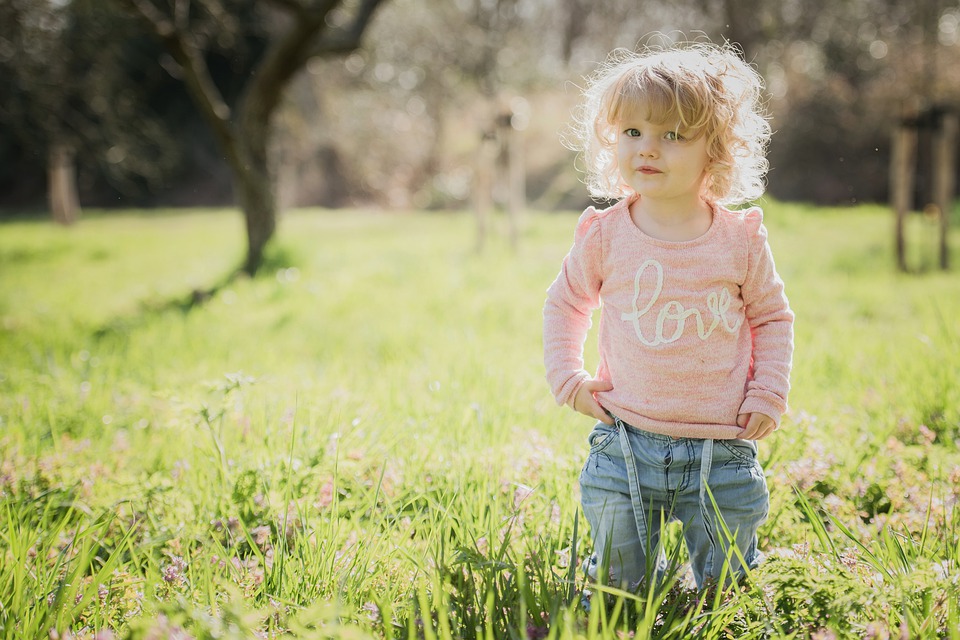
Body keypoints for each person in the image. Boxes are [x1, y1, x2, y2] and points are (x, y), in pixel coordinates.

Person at [543, 41, 794, 592]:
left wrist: (768, 390)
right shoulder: (606, 235)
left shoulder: (740, 241)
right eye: (632, 133)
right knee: (617, 585)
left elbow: (772, 319)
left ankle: (711, 599)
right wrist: (568, 379)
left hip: (722, 447)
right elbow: (566, 302)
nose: (647, 149)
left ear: (717, 150)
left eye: (672, 135)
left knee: (727, 585)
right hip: (625, 442)